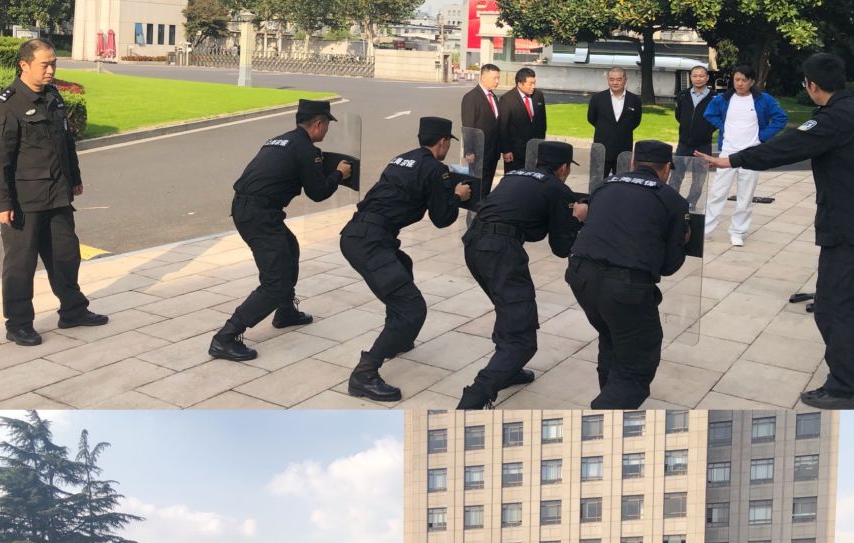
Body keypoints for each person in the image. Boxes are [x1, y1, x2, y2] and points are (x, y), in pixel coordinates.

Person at [703, 48, 854, 407]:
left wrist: (731, 160)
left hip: (852, 231)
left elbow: (787, 147)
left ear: (811, 86)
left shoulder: (833, 119)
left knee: (835, 307)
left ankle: (844, 389)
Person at [337, 116, 474, 401]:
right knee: (412, 309)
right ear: (443, 142)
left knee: (403, 264)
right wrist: (457, 196)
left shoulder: (401, 159)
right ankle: (364, 374)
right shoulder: (435, 169)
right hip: (371, 241)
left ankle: (398, 338)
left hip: (357, 231)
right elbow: (442, 219)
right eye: (448, 143)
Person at [208, 101, 352, 363]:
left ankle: (285, 311)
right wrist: (339, 174)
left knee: (290, 247)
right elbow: (318, 193)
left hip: (250, 208)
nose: (327, 129)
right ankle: (225, 337)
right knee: (275, 282)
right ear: (319, 124)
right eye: (327, 124)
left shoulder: (280, 140)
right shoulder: (305, 149)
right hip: (259, 215)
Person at [0, 38, 103, 347]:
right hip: (24, 201)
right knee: (20, 265)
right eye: (45, 65)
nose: (51, 70)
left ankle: (73, 310)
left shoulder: (53, 96)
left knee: (66, 256)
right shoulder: (5, 105)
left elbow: (65, 142)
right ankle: (19, 323)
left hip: (58, 194)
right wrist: (1, 203)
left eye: (54, 64)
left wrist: (74, 177)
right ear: (24, 65)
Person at [563, 138, 692, 409]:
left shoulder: (604, 186)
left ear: (633, 163)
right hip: (625, 288)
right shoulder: (672, 200)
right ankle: (605, 413)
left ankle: (608, 392)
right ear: (666, 169)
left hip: (581, 276)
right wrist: (682, 240)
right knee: (635, 366)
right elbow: (669, 266)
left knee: (611, 336)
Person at [455, 139, 584, 409]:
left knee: (509, 309)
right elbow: (562, 248)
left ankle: (509, 369)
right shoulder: (557, 188)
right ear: (563, 168)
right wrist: (576, 218)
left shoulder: (515, 175)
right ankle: (475, 398)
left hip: (474, 244)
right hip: (500, 252)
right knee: (522, 337)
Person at [701, 65, 786, 248]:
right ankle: (706, 230)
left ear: (752, 81)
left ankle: (738, 232)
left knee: (745, 196)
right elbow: (709, 114)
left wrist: (762, 137)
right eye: (737, 79)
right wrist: (723, 127)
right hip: (727, 152)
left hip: (751, 154)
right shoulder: (723, 99)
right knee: (717, 193)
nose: (740, 83)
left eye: (744, 80)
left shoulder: (764, 99)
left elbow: (781, 118)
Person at [584, 65, 642, 171]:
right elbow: (591, 118)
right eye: (612, 79)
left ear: (625, 80)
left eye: (619, 79)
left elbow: (636, 121)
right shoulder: (597, 99)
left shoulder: (635, 100)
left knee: (621, 180)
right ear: (608, 80)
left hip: (623, 149)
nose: (615, 83)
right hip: (601, 148)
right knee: (597, 180)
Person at [495, 64, 545, 175]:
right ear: (519, 83)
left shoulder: (539, 95)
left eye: (534, 83)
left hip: (535, 150)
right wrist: (506, 150)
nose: (533, 87)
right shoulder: (507, 99)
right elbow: (503, 127)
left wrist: (541, 145)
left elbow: (542, 122)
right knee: (514, 180)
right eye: (530, 84)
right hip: (515, 152)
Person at [459, 61, 501, 156]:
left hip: (493, 151)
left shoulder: (493, 96)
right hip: (478, 152)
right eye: (494, 78)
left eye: (498, 78)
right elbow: (468, 126)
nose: (497, 82)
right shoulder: (471, 97)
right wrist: (469, 151)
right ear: (483, 78)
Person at [673, 62, 716, 155]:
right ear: (690, 77)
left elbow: (717, 119)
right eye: (695, 76)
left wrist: (706, 130)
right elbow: (678, 115)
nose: (698, 79)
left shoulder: (714, 97)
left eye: (701, 76)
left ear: (707, 77)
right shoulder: (682, 95)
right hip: (684, 143)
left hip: (704, 144)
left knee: (702, 165)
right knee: (679, 165)